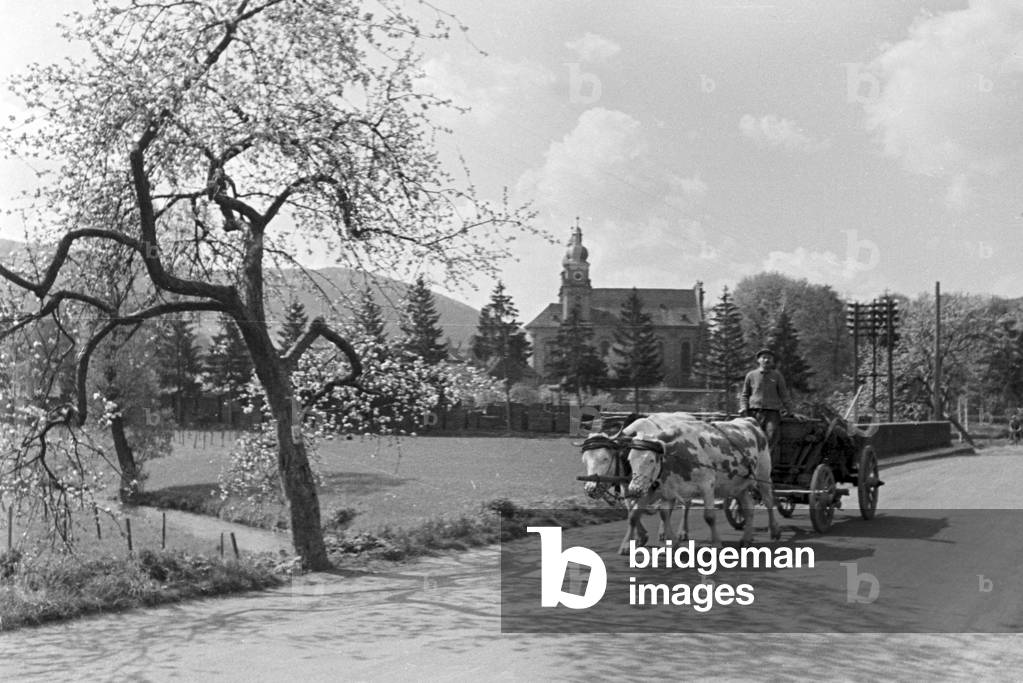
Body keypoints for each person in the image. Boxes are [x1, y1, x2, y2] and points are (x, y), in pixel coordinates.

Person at [739, 348, 793, 457]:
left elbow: (784, 395)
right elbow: (745, 394)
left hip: (772, 413)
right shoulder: (751, 375)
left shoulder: (777, 376)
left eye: (769, 358)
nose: (766, 360)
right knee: (751, 437)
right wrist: (744, 407)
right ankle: (751, 460)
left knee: (771, 435)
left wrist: (790, 411)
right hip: (753, 412)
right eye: (763, 358)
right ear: (758, 360)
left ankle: (767, 462)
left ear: (772, 361)